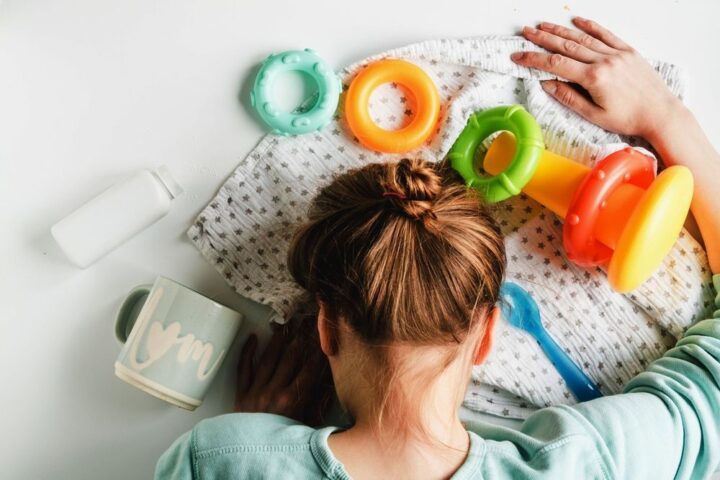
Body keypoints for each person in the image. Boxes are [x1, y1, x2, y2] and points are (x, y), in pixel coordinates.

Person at [155, 18, 720, 479]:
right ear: (487, 336)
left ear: (325, 329)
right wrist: (665, 116)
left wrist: (254, 444)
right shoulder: (588, 465)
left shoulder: (216, 462)